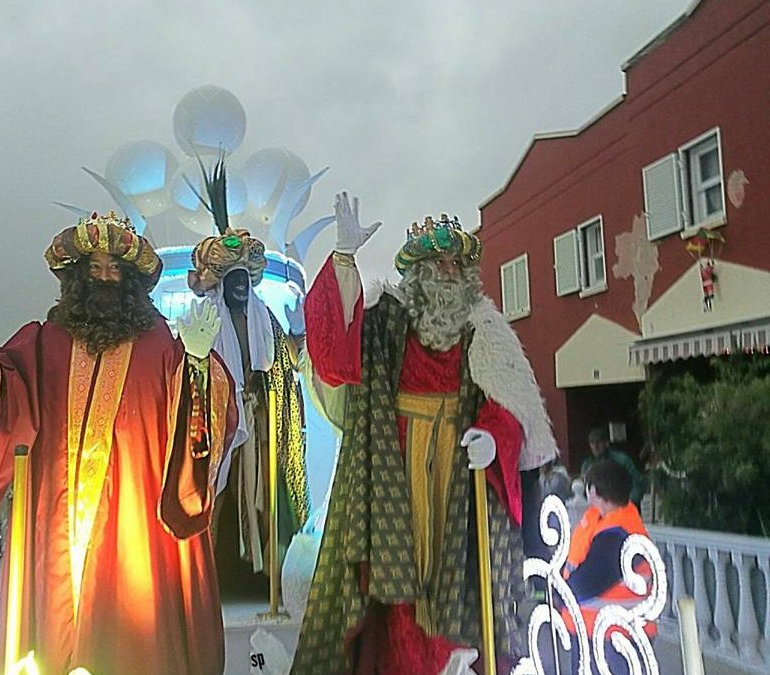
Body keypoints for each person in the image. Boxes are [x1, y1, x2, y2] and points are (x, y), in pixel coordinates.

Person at [0, 212, 238, 674]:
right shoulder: (44, 342)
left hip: (135, 524)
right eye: (93, 268)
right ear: (77, 276)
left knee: (133, 621)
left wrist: (196, 362)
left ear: (132, 279)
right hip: (52, 520)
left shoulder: (160, 346)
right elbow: (7, 402)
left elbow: (199, 422)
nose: (104, 277)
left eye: (114, 269)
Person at [293, 195, 558, 675]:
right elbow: (336, 354)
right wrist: (343, 262)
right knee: (399, 573)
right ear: (416, 271)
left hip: (461, 471)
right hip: (395, 470)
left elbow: (508, 404)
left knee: (454, 573)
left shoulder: (486, 332)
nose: (449, 273)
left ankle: (451, 656)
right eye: (438, 263)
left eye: (457, 264)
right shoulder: (388, 321)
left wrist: (495, 437)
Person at [187, 161, 309, 588]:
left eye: (244, 279)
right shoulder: (206, 321)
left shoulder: (266, 322)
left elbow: (286, 364)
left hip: (261, 428)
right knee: (217, 496)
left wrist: (298, 333)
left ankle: (265, 578)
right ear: (221, 284)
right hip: (220, 430)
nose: (240, 286)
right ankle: (210, 577)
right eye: (232, 279)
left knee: (267, 500)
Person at [562, 459, 656, 672]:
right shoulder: (616, 522)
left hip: (611, 637)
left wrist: (559, 594)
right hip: (608, 633)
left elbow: (586, 583)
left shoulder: (617, 535)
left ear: (593, 491)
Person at [581, 428, 644, 508]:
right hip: (600, 509)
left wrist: (630, 503)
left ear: (606, 443)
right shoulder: (587, 465)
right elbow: (584, 489)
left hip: (623, 504)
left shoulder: (621, 460)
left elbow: (637, 482)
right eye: (592, 443)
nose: (595, 446)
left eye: (599, 442)